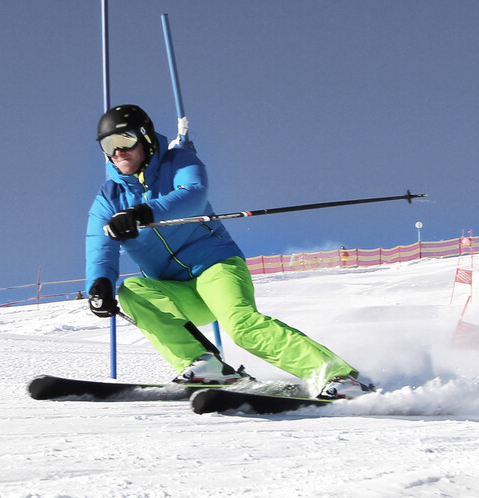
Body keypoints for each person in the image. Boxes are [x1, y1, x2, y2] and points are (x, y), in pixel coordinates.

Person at [83, 104, 373, 399]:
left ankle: (339, 377)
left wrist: (144, 212)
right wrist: (99, 284)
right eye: (109, 145)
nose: (118, 152)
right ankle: (204, 365)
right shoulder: (109, 199)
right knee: (132, 291)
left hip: (216, 268)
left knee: (241, 326)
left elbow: (193, 194)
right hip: (175, 289)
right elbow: (99, 246)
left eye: (125, 141)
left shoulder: (178, 161)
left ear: (144, 138)